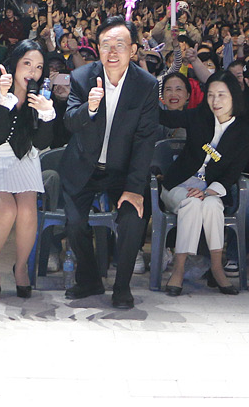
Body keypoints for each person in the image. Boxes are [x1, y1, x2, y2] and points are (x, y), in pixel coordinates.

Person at [59, 17, 161, 310]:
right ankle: (89, 278)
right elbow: (69, 121)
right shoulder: (81, 77)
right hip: (82, 165)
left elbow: (145, 140)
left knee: (132, 217)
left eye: (120, 45)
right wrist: (89, 109)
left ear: (133, 49)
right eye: (106, 45)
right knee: (75, 223)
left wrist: (134, 187)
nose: (112, 51)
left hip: (122, 170)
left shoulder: (146, 85)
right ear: (98, 48)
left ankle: (122, 286)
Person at [0, 40, 56, 298]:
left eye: (39, 67)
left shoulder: (39, 96)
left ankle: (21, 268)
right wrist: (4, 102)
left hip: (24, 157)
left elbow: (42, 143)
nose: (32, 71)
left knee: (28, 211)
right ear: (15, 63)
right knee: (6, 210)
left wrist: (47, 115)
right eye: (27, 63)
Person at [156, 73, 249, 295]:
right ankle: (179, 270)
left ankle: (217, 267)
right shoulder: (199, 117)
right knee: (191, 203)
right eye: (210, 95)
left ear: (234, 97)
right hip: (178, 184)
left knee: (211, 206)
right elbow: (166, 118)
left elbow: (233, 172)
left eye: (221, 95)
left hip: (212, 188)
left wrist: (209, 191)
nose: (215, 101)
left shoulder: (244, 134)